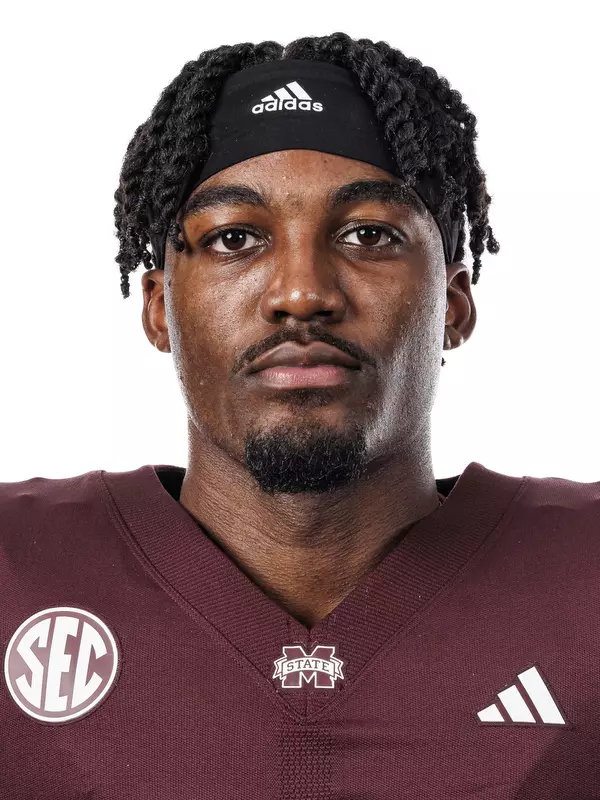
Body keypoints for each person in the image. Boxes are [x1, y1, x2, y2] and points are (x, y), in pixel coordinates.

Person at [1, 31, 597, 800]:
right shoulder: (16, 570)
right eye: (235, 238)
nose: (301, 292)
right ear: (158, 309)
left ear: (452, 305)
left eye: (368, 235)